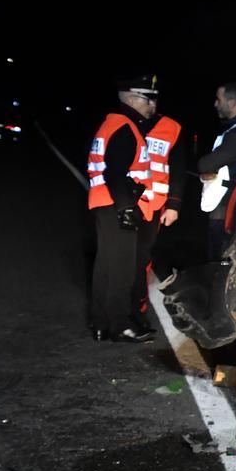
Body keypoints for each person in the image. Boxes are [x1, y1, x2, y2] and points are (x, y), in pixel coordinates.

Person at [87, 74, 159, 343]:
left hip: (104, 203)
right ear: (131, 97)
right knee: (122, 268)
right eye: (147, 97)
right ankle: (119, 324)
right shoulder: (125, 126)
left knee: (105, 265)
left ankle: (100, 323)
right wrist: (127, 208)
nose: (152, 103)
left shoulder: (113, 122)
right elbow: (116, 172)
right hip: (117, 204)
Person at [130, 110, 185, 332]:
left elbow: (179, 169)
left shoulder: (171, 127)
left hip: (153, 206)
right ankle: (120, 308)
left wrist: (174, 205)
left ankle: (137, 310)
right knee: (122, 259)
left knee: (141, 258)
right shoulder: (125, 123)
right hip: (126, 202)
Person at [198, 82, 236, 258]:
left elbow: (207, 164)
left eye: (219, 100)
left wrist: (206, 166)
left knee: (221, 259)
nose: (215, 104)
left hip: (229, 206)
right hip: (232, 202)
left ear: (232, 103)